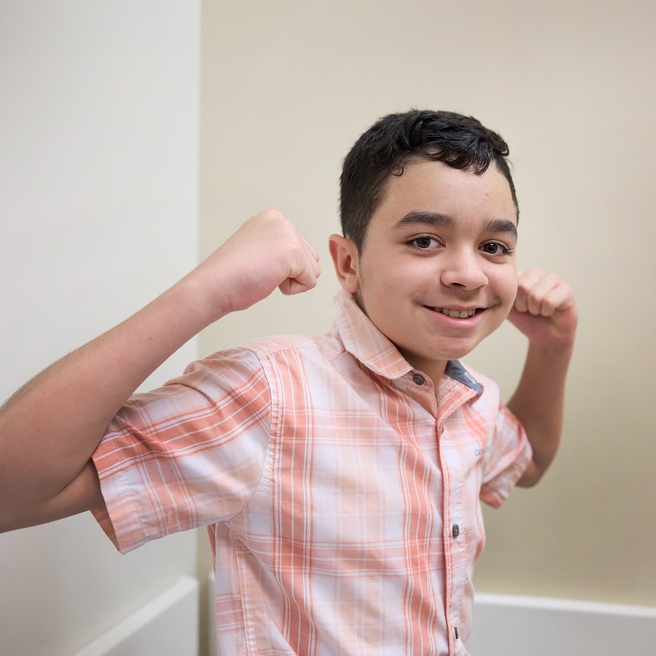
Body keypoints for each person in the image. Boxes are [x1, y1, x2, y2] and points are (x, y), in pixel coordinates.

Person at [0, 109, 577, 655]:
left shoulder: (472, 396)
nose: (467, 273)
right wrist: (208, 290)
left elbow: (528, 463)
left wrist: (552, 347)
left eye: (494, 247)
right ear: (348, 264)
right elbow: (12, 490)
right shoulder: (272, 395)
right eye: (424, 240)